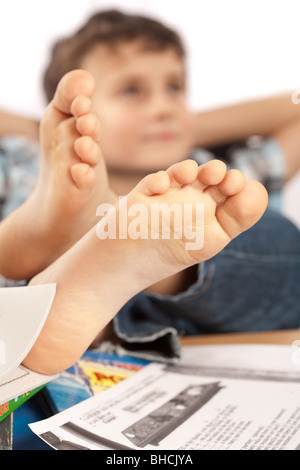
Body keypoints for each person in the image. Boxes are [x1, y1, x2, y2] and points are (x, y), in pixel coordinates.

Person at [1, 10, 300, 371]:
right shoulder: (25, 164)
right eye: (131, 90)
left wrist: (183, 128)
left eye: (174, 88)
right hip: (29, 293)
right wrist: (49, 126)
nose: (163, 107)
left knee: (268, 231)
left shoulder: (209, 175)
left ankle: (126, 251)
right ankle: (26, 243)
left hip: (120, 316)